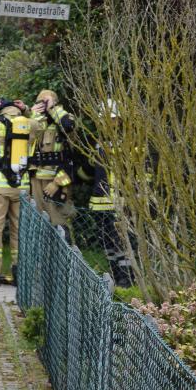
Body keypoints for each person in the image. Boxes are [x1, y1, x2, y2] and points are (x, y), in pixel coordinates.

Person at [0, 99, 38, 286]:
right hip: (22, 187)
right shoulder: (31, 126)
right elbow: (40, 120)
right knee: (20, 231)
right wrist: (26, 109)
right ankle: (19, 273)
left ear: (0, 110)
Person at [80, 100, 134, 287]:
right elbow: (89, 170)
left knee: (122, 242)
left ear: (119, 119)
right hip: (100, 201)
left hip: (120, 201)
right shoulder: (98, 142)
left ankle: (126, 278)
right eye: (103, 119)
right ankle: (114, 274)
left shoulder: (128, 141)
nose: (106, 122)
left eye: (110, 119)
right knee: (107, 242)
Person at [29, 89, 77, 242]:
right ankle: (43, 264)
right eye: (41, 102)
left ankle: (66, 262)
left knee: (60, 222)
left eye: (47, 101)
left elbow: (69, 128)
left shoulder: (65, 119)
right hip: (36, 181)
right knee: (39, 225)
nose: (44, 105)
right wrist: (31, 116)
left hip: (57, 181)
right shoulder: (35, 121)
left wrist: (53, 108)